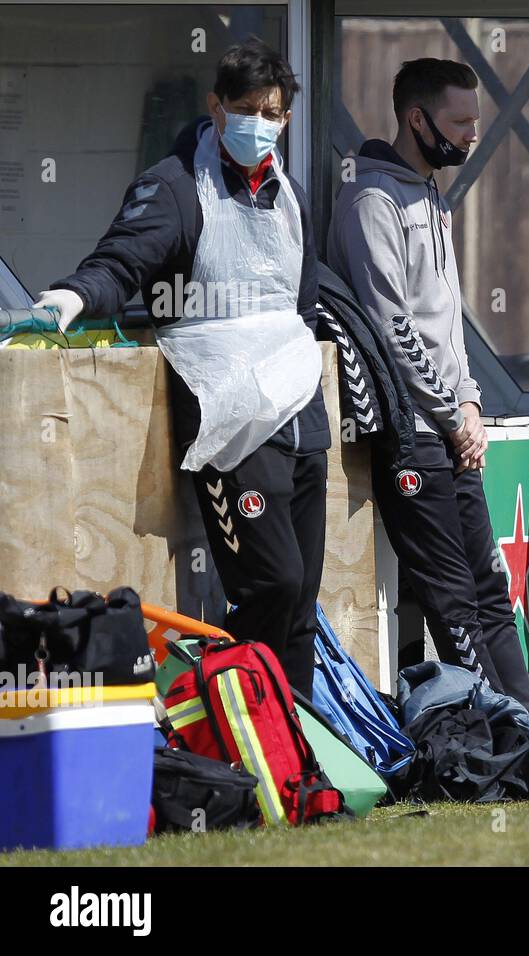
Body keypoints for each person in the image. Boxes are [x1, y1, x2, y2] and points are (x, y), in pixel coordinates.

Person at [34, 38, 327, 694]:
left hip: (301, 418)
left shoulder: (290, 196)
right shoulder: (172, 186)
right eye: (247, 108)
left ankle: (297, 764)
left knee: (302, 599)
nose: (262, 124)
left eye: (274, 112)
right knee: (270, 584)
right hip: (227, 419)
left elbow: (301, 305)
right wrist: (74, 297)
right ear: (215, 108)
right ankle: (241, 741)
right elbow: (122, 261)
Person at [328, 58, 529, 726]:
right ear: (416, 119)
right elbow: (393, 326)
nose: (472, 135)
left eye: (475, 121)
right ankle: (501, 738)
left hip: (453, 429)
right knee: (452, 601)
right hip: (414, 437)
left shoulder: (432, 196)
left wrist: (471, 403)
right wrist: (454, 415)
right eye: (458, 122)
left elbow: (446, 326)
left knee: (489, 592)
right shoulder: (371, 200)